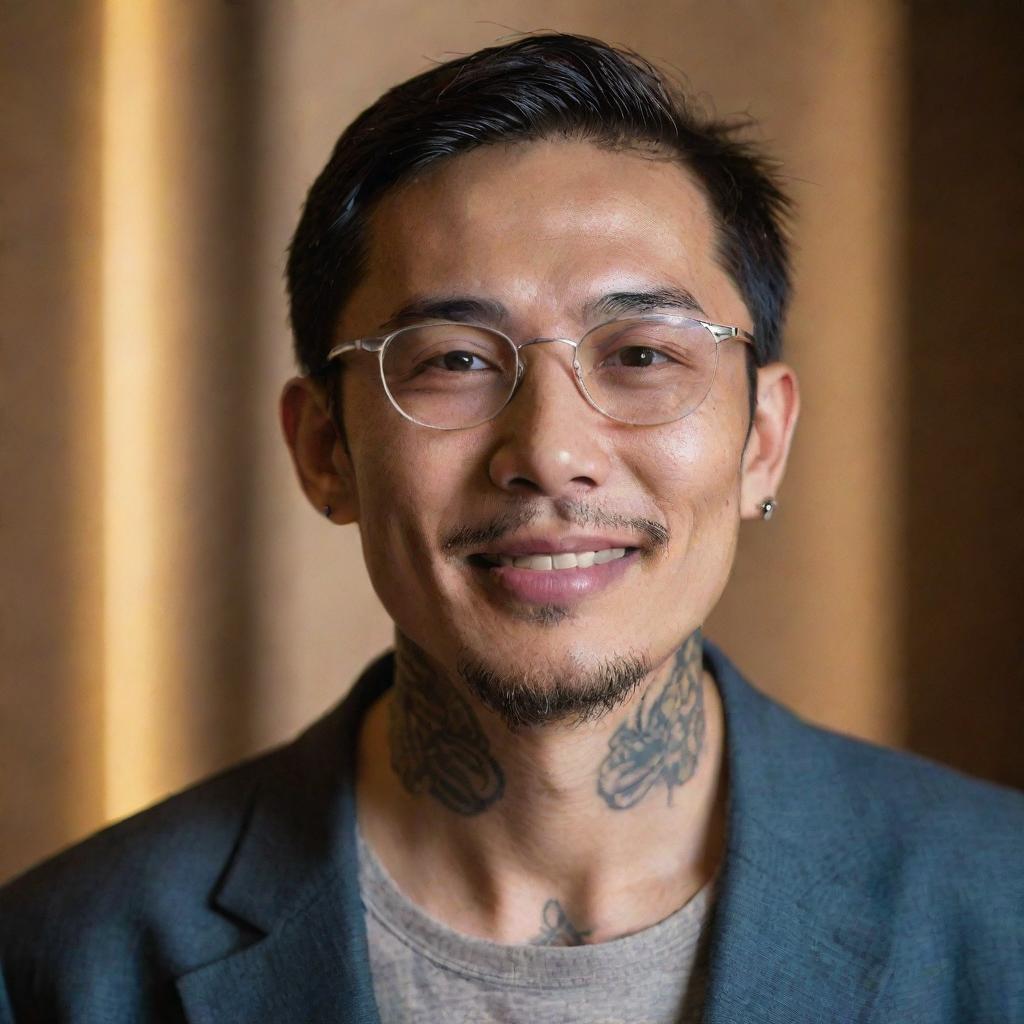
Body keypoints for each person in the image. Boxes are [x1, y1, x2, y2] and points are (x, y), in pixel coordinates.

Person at [1, 32, 1022, 1024]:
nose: (549, 449)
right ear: (324, 450)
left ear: (762, 439)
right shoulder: (65, 960)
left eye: (641, 355)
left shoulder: (998, 908)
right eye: (453, 359)